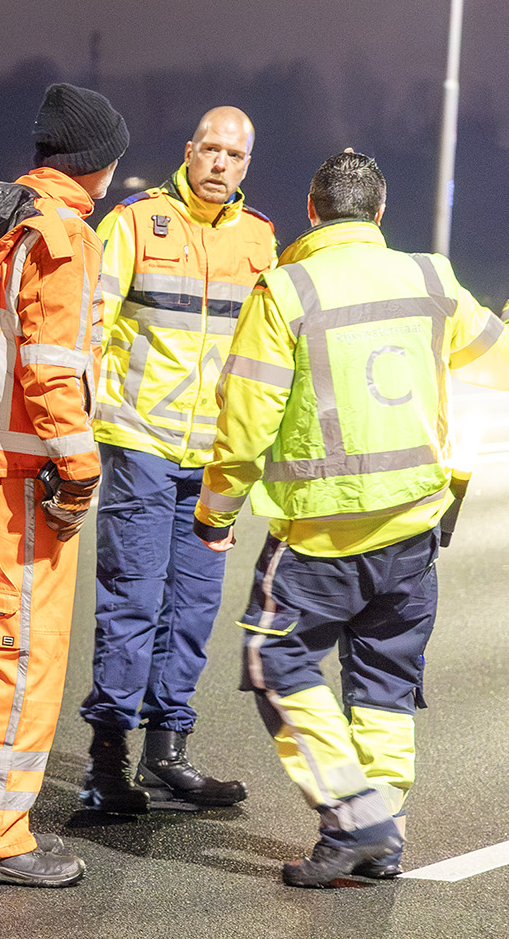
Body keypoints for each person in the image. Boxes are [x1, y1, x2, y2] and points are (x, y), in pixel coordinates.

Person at [195, 150, 509, 886]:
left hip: (320, 535)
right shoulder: (432, 278)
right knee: (384, 680)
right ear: (379, 212)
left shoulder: (286, 289)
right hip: (414, 529)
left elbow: (245, 422)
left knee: (276, 661)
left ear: (312, 211)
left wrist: (216, 511)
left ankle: (355, 819)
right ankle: (383, 832)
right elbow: (496, 359)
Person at [0, 82, 124, 886]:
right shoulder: (64, 236)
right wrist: (79, 470)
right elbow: (50, 370)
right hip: (17, 480)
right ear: (98, 164)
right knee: (23, 653)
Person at [77, 108, 277, 813]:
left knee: (191, 609)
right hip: (140, 443)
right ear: (189, 151)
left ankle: (167, 752)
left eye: (234, 154)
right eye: (211, 149)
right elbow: (89, 327)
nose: (220, 162)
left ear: (247, 164)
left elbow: (270, 351)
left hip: (215, 459)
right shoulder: (135, 223)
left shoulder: (261, 240)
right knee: (131, 602)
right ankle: (106, 763)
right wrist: (84, 423)